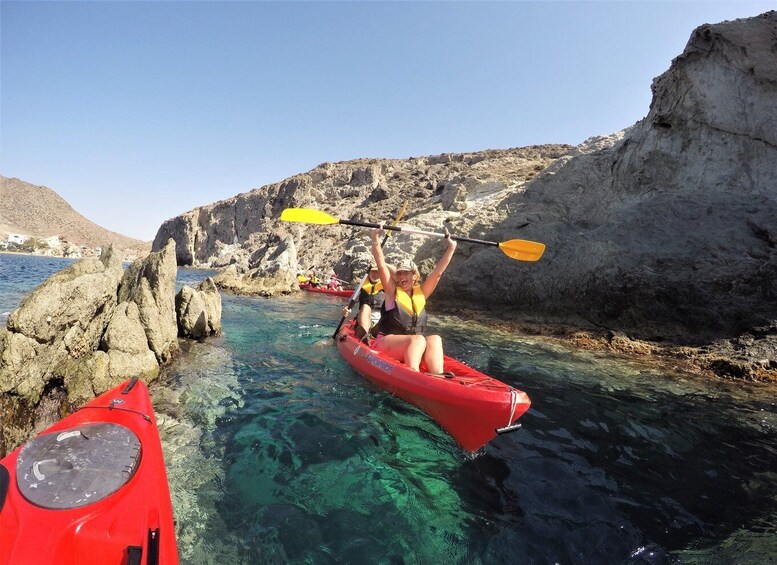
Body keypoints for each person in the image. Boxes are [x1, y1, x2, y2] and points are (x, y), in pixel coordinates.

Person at [370, 224, 456, 375]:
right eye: (400, 273)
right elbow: (382, 266)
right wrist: (375, 238)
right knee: (417, 340)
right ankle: (413, 374)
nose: (402, 277)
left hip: (409, 345)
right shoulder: (392, 292)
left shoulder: (421, 293)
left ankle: (437, 377)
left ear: (415, 276)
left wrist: (451, 248)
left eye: (407, 273)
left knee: (435, 338)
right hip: (385, 342)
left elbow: (437, 273)